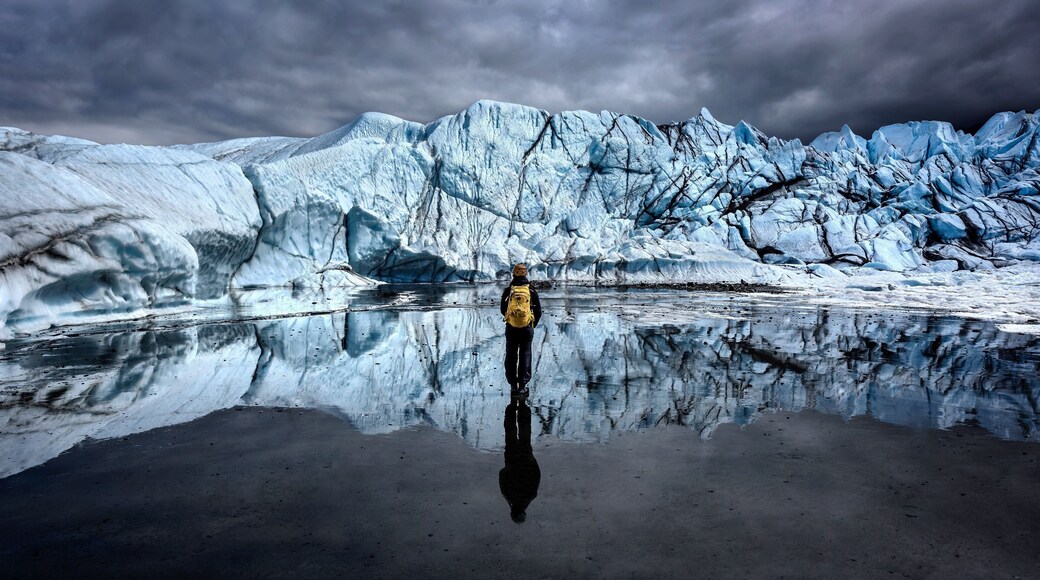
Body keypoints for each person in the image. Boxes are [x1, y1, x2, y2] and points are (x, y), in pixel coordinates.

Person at [499, 392, 540, 523]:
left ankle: (522, 406)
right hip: (512, 460)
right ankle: (512, 407)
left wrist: (532, 461)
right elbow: (502, 476)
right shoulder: (509, 496)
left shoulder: (531, 495)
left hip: (526, 460)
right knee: (510, 432)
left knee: (524, 433)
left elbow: (536, 475)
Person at [501, 263, 541, 391]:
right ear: (526, 274)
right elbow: (539, 311)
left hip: (511, 327)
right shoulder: (531, 290)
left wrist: (511, 319)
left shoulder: (509, 290)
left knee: (511, 355)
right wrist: (531, 324)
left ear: (513, 274)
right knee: (525, 354)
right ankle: (523, 386)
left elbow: (503, 309)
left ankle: (513, 385)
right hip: (527, 327)